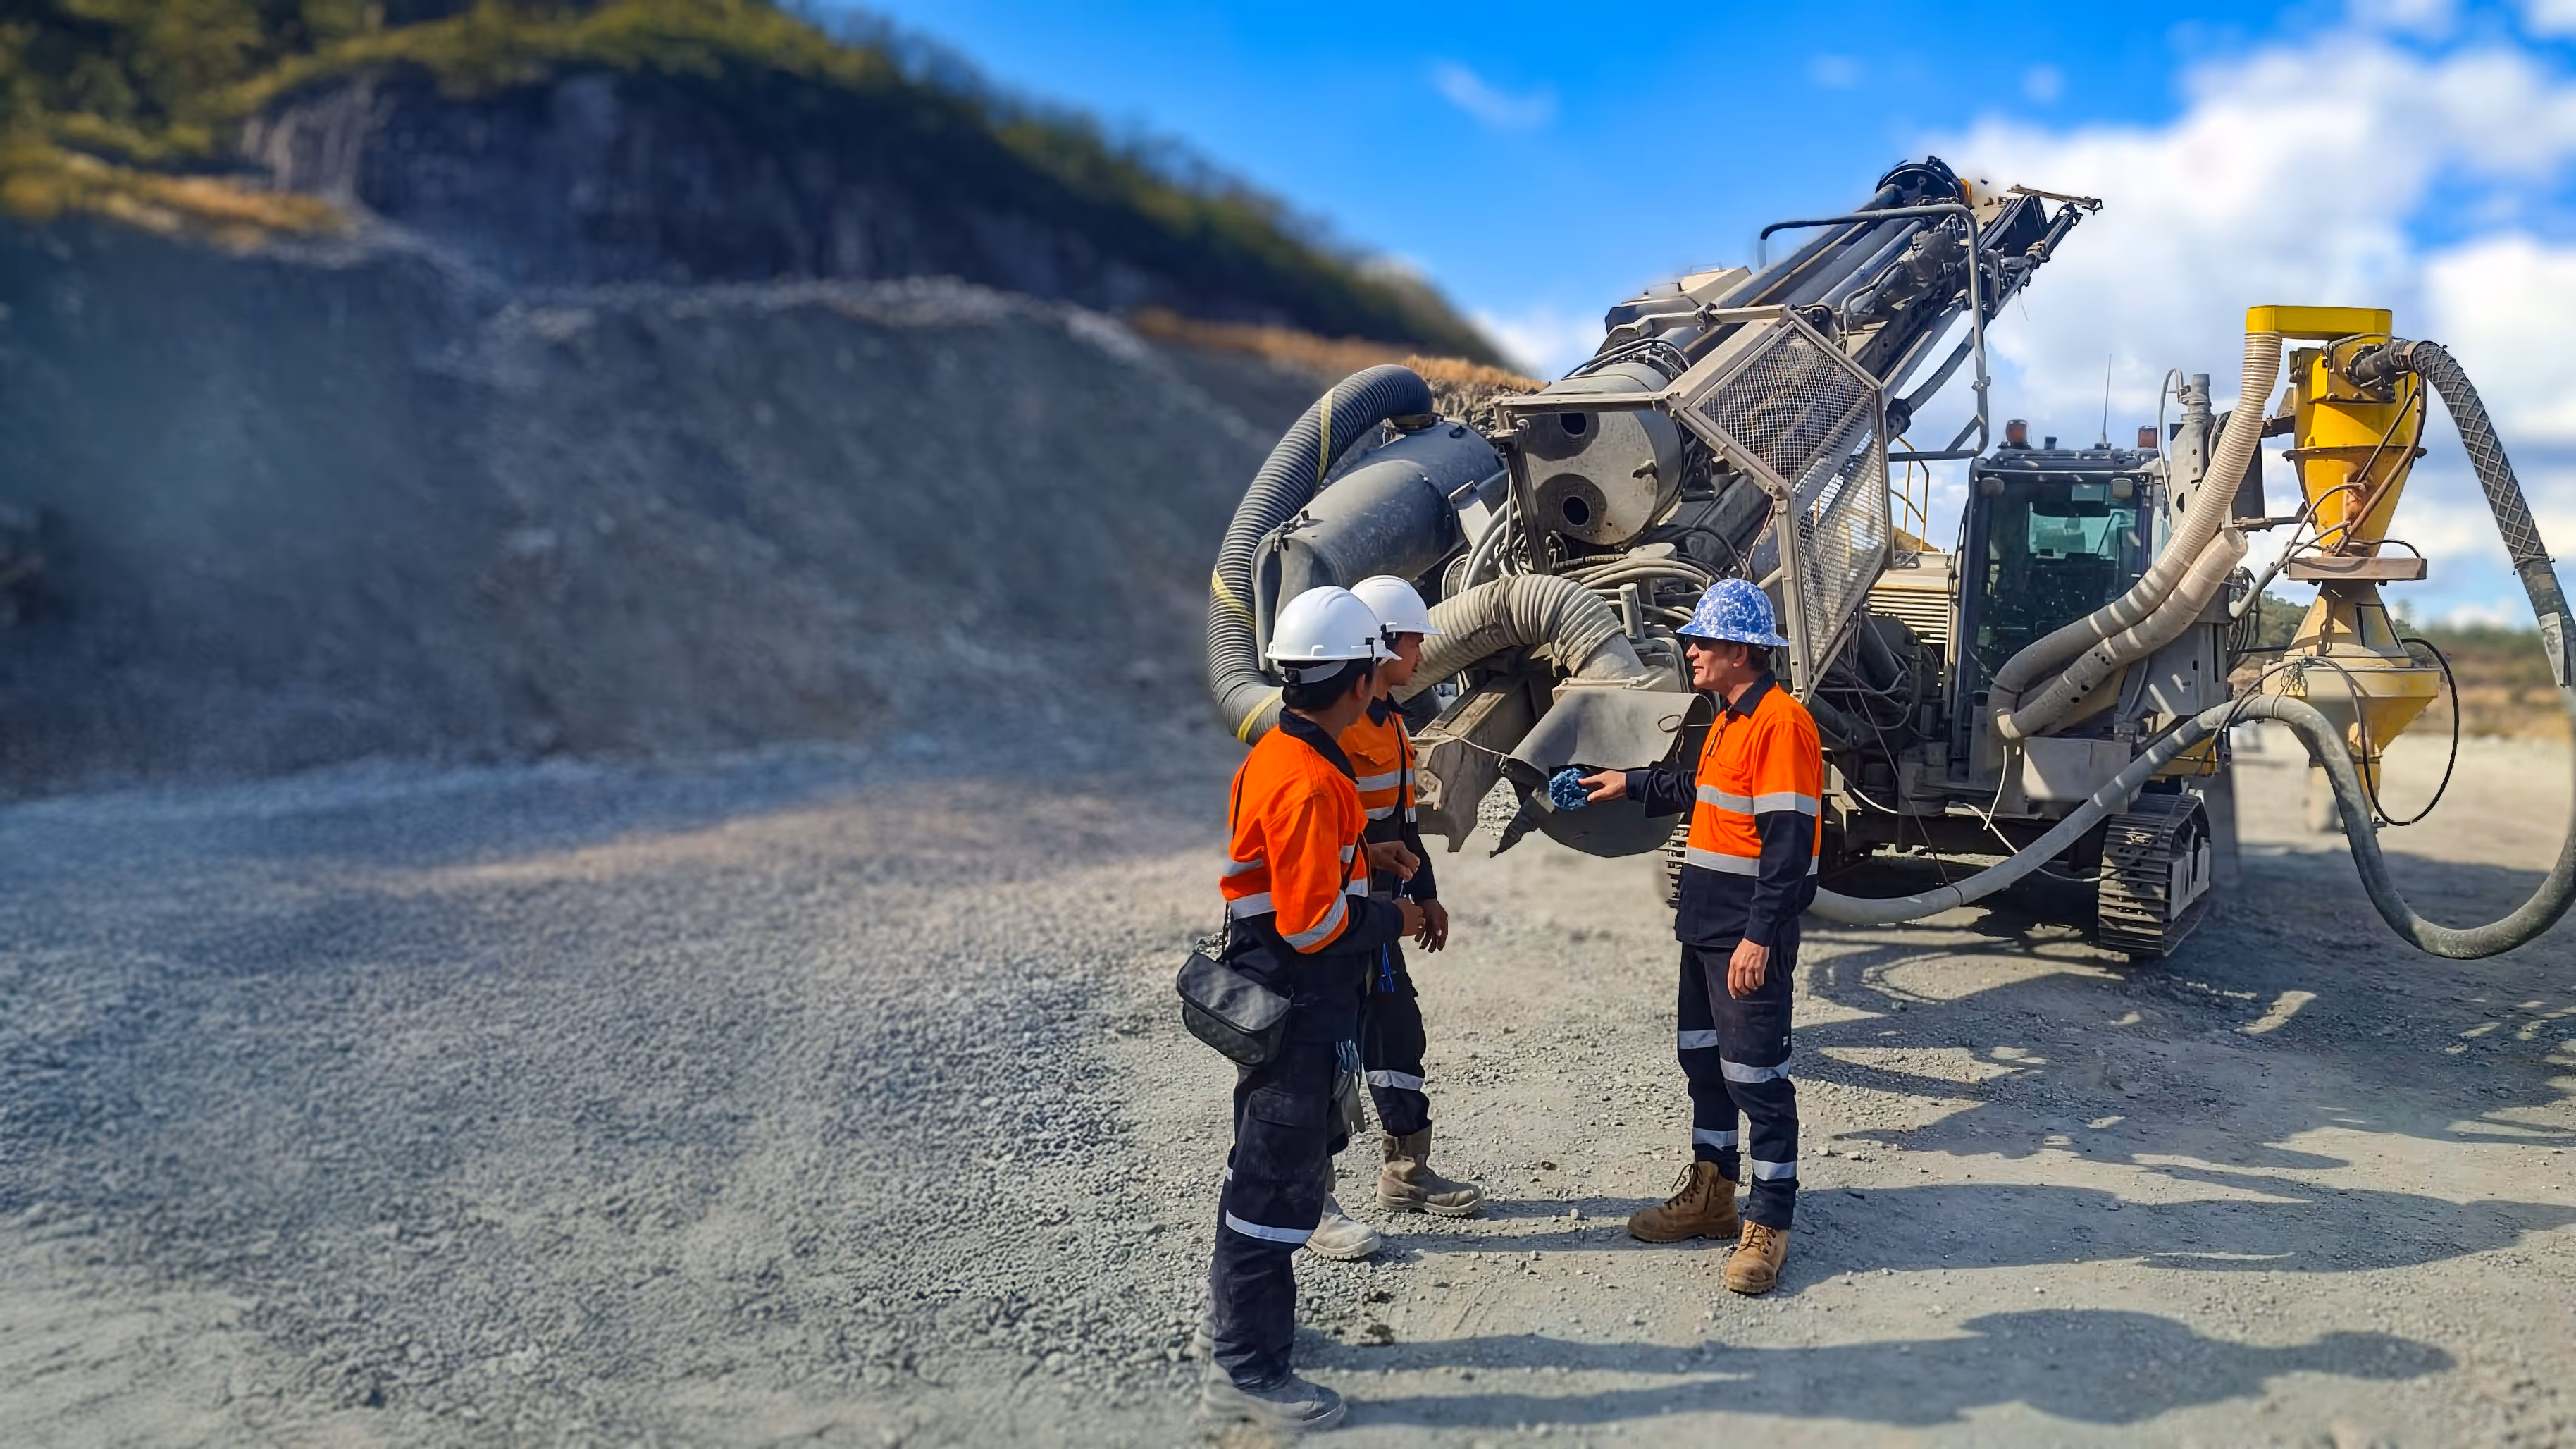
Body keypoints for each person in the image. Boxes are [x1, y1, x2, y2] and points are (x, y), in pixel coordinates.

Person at [1203, 584, 1423, 1431]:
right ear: (1360, 678)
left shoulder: (1285, 754)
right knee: (1273, 1184)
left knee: (1261, 1169)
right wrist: (1390, 914)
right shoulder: (1308, 778)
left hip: (1285, 995)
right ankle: (1247, 1373)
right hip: (1294, 1006)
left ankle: (1240, 1327)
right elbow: (1314, 921)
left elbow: (1302, 867)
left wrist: (1367, 850)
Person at [1578, 578, 1820, 1296]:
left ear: (1742, 653)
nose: (1690, 649)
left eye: (1703, 641)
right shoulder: (1729, 719)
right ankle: (1712, 1196)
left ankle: (1768, 1222)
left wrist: (1759, 938)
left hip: (1743, 930)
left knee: (1756, 1079)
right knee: (1705, 1064)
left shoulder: (1780, 724)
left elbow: (1787, 846)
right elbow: (1700, 791)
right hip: (1705, 924)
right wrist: (1629, 784)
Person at [1330, 575, 1481, 1234]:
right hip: (1337, 916)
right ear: (1385, 643)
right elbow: (1332, 829)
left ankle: (1405, 1171)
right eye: (1415, 641)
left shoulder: (1391, 721)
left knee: (1396, 1031)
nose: (1423, 655)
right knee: (1328, 1048)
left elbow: (1402, 822)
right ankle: (1315, 1194)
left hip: (1382, 911)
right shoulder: (1336, 724)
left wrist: (1428, 895)